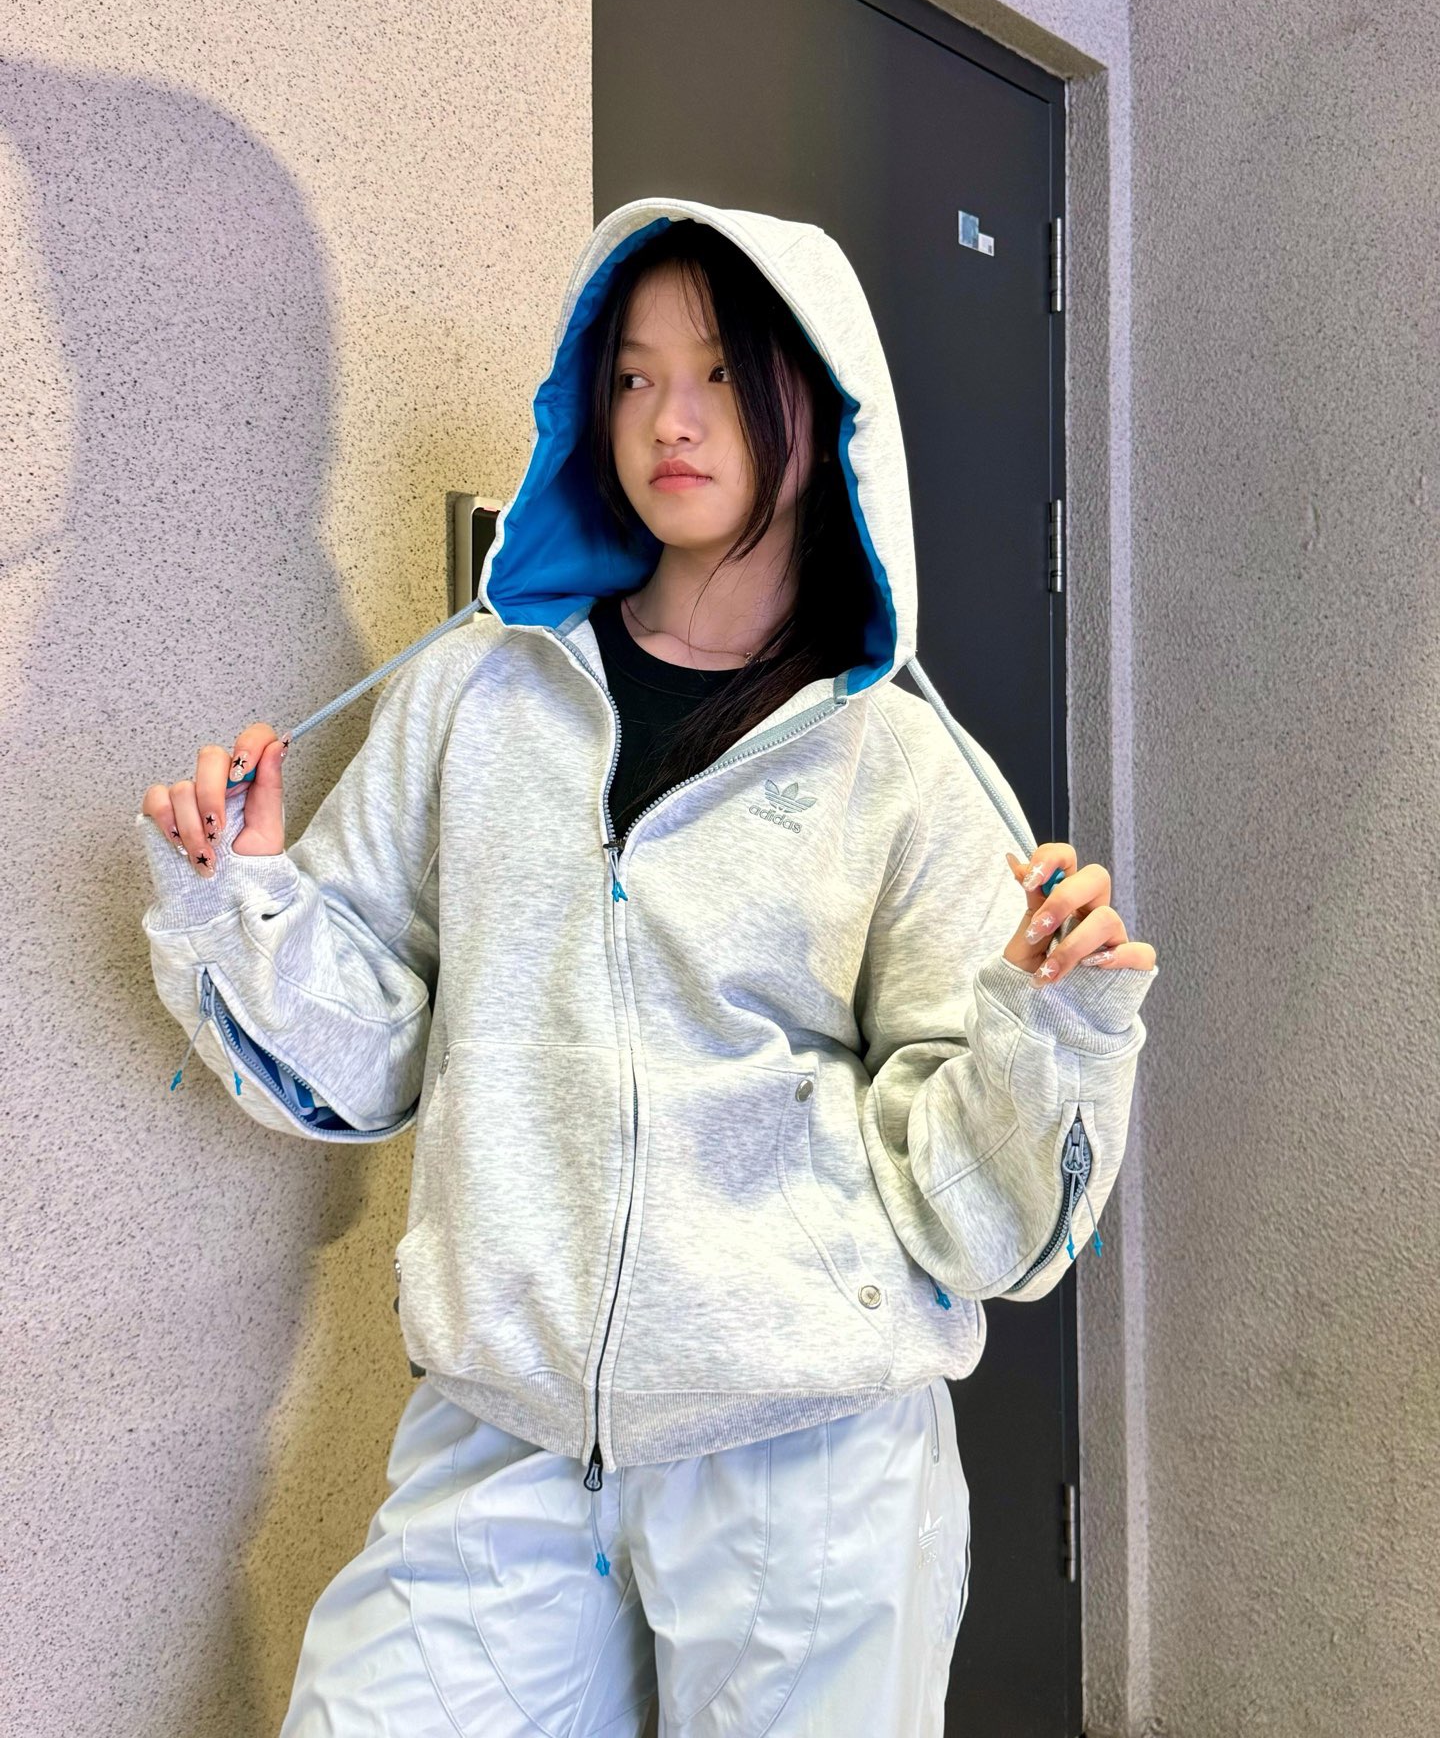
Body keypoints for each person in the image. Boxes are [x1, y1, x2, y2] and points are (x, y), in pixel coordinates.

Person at [135, 197, 1159, 1736]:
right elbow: (370, 1064)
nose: (669, 420)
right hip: (508, 1433)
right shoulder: (478, 691)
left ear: (817, 400)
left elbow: (985, 1225)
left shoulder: (895, 764)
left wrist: (1052, 1031)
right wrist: (248, 897)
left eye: (721, 374)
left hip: (805, 1454)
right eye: (632, 375)